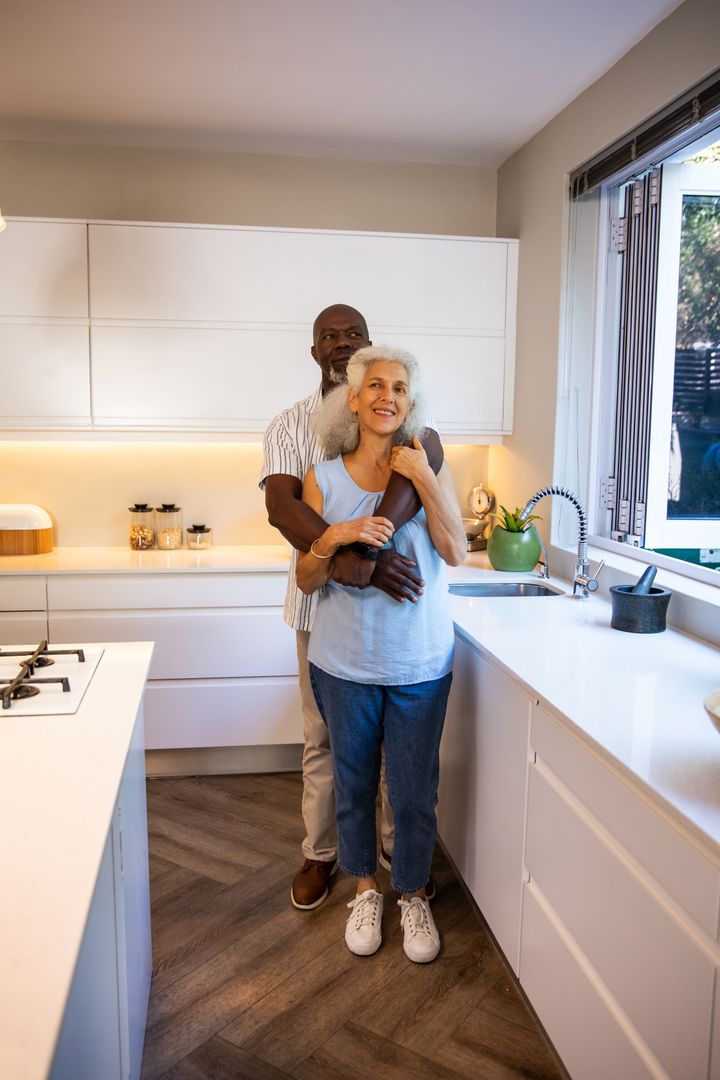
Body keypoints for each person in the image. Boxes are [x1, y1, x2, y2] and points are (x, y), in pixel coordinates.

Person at [260, 304, 444, 910]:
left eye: (353, 336)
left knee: (396, 757)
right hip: (322, 609)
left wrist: (375, 543)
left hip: (390, 620)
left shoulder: (402, 422)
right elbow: (284, 509)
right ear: (315, 352)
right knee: (324, 743)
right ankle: (322, 855)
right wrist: (358, 566)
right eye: (328, 337)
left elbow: (428, 460)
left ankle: (394, 858)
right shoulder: (291, 423)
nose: (341, 344)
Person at [296, 345, 466, 962]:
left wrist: (423, 476)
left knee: (416, 790)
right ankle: (365, 887)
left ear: (409, 403)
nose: (386, 395)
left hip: (420, 662)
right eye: (374, 385)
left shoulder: (429, 466)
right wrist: (335, 536)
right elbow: (306, 579)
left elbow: (456, 553)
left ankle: (413, 894)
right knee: (354, 783)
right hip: (343, 666)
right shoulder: (324, 477)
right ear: (354, 399)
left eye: (398, 387)